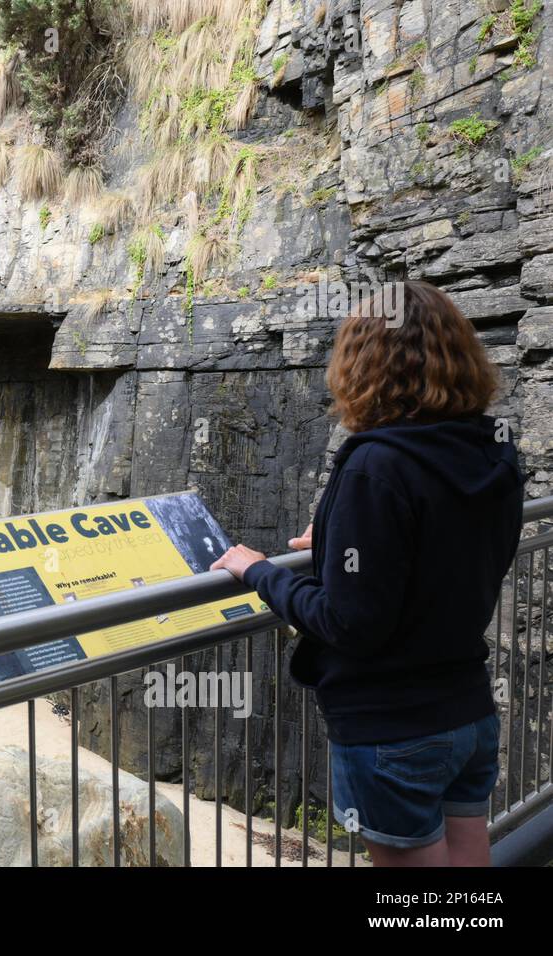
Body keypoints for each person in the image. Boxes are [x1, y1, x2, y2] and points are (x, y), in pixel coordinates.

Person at [210, 281, 524, 866]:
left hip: (394, 728)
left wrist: (258, 571)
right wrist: (337, 543)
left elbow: (350, 622)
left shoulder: (377, 465)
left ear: (364, 364)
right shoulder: (492, 452)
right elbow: (445, 550)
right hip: (467, 713)